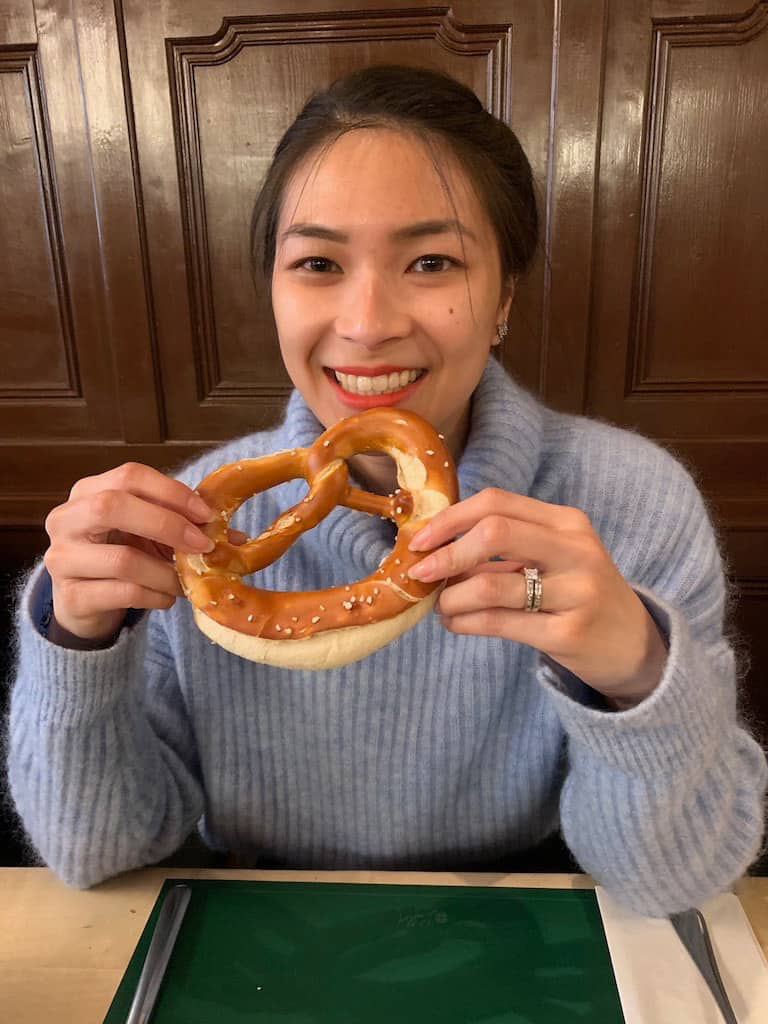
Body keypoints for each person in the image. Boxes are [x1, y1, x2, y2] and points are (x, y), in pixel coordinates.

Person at [7, 65, 766, 914]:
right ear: (275, 290)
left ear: (505, 295)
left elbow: (671, 881)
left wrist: (636, 676)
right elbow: (94, 853)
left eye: (432, 261)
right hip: (262, 931)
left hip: (528, 921)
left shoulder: (632, 504)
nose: (367, 324)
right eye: (319, 262)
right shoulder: (185, 527)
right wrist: (76, 642)